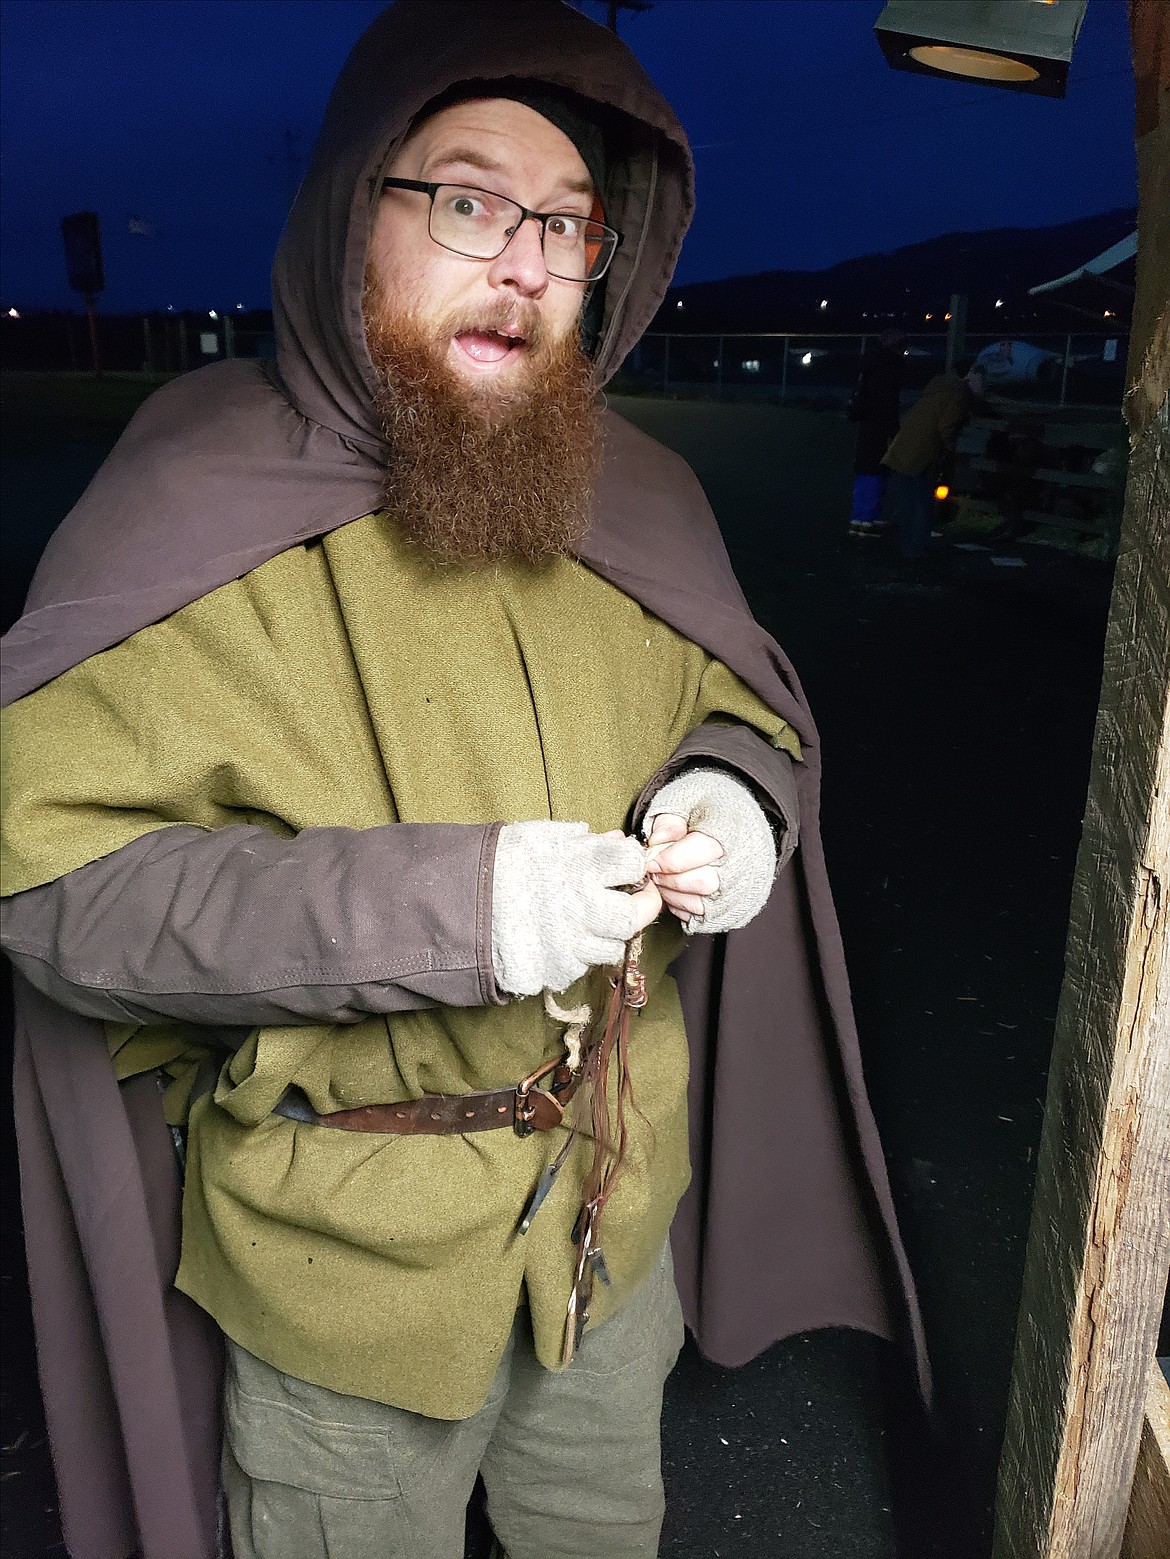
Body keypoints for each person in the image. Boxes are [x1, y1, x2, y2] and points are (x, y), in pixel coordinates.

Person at [0, 4, 926, 1556]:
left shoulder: (642, 489)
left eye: (567, 226)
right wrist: (463, 908)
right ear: (351, 205)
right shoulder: (186, 493)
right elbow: (51, 889)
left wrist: (730, 794)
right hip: (342, 1278)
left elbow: (739, 705)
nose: (524, 262)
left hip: (607, 1235)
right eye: (469, 200)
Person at [881, 362, 988, 562]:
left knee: (909, 504)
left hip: (903, 451)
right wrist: (950, 450)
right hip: (922, 456)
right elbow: (947, 426)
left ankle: (907, 549)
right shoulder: (958, 395)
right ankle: (915, 552)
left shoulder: (938, 389)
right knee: (923, 507)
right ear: (973, 379)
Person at [846, 329, 905, 538]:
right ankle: (867, 518)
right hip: (881, 423)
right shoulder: (891, 367)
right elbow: (889, 402)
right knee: (877, 469)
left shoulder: (869, 362)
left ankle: (860, 516)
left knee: (865, 469)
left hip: (866, 422)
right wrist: (894, 429)